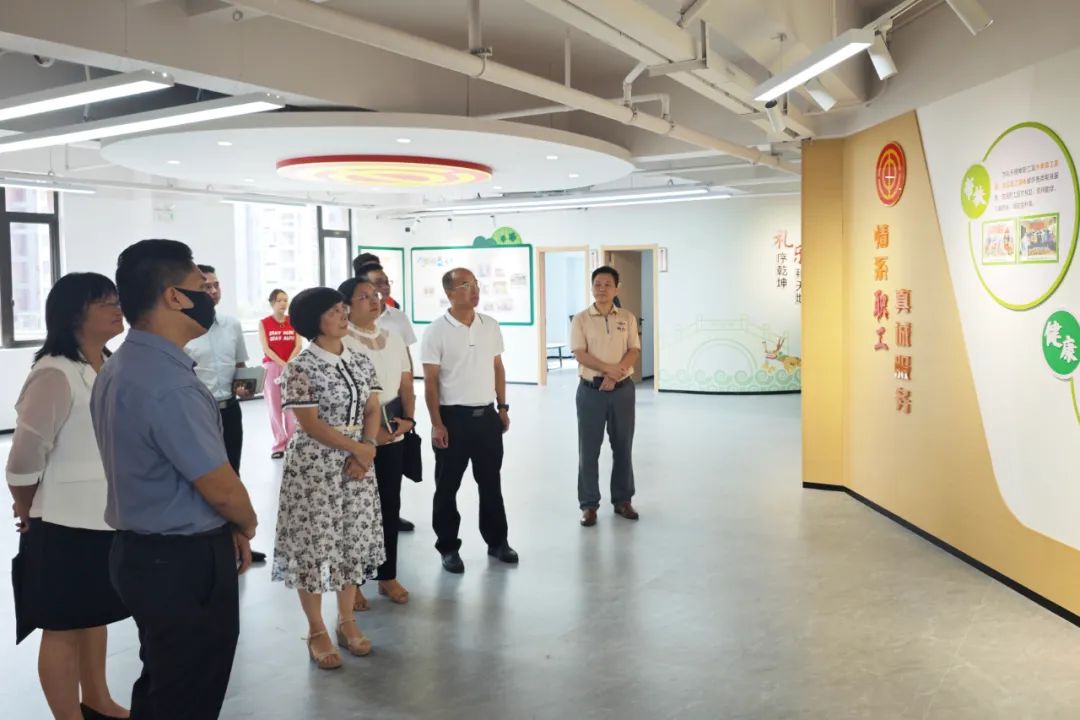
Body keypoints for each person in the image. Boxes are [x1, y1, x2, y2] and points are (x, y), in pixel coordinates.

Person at [91, 239, 258, 720]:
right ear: (174, 297)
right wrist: (245, 523)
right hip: (182, 564)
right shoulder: (171, 384)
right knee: (189, 694)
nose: (209, 295)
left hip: (141, 553)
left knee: (164, 682)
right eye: (200, 286)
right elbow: (220, 487)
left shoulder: (121, 364)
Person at [7, 273, 130, 720]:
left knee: (93, 615)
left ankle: (97, 699)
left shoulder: (107, 364)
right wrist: (26, 507)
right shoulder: (54, 372)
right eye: (106, 303)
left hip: (105, 515)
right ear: (75, 314)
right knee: (61, 626)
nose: (118, 309)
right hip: (61, 520)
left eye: (117, 300)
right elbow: (23, 458)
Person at [271, 287, 385, 670]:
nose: (343, 315)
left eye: (342, 309)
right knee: (315, 544)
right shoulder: (300, 367)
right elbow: (310, 424)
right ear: (313, 320)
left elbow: (372, 407)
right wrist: (359, 449)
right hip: (316, 466)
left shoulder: (359, 358)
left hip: (358, 462)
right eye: (334, 311)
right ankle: (316, 629)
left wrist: (367, 446)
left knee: (352, 538)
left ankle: (347, 620)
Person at [420, 267, 517, 574]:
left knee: (491, 483)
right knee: (447, 487)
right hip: (453, 419)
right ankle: (448, 547)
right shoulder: (436, 331)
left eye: (475, 283)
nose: (474, 290)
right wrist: (437, 423)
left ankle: (498, 541)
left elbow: (497, 367)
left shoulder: (489, 325)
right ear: (449, 293)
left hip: (486, 417)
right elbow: (430, 382)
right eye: (465, 285)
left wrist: (502, 406)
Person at [340, 277, 415, 609]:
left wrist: (409, 420)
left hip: (393, 429)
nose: (374, 300)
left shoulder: (393, 337)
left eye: (376, 295)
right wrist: (368, 436)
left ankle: (387, 575)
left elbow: (406, 382)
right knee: (355, 511)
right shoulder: (342, 340)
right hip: (357, 436)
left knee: (389, 505)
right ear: (346, 306)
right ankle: (352, 583)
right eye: (364, 297)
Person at [184, 264, 267, 564]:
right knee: (204, 479)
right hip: (197, 414)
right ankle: (208, 546)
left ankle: (236, 542)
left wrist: (245, 386)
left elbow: (240, 365)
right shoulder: (183, 329)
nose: (213, 291)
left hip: (229, 409)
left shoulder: (231, 324)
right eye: (205, 286)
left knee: (233, 473)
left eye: (216, 285)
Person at [571, 266, 641, 526]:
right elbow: (580, 353)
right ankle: (589, 505)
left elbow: (633, 350)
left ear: (617, 288)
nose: (601, 289)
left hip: (622, 391)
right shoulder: (581, 319)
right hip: (591, 392)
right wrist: (607, 370)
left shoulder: (627, 317)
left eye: (607, 284)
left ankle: (623, 500)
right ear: (592, 287)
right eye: (597, 284)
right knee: (588, 449)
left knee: (623, 446)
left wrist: (615, 374)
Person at [355, 257, 418, 534]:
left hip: (393, 417)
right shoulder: (345, 337)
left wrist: (409, 416)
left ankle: (391, 521)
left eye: (385, 282)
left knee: (391, 488)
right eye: (375, 285)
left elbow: (407, 369)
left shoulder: (397, 320)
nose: (382, 289)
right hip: (362, 430)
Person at [258, 288, 302, 459]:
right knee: (275, 406)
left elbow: (298, 345)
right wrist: (282, 364)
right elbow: (266, 348)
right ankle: (279, 444)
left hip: (291, 365)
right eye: (279, 300)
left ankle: (292, 442)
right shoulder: (264, 323)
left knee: (291, 405)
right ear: (272, 303)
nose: (283, 303)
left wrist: (288, 363)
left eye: (285, 300)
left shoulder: (293, 321)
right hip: (272, 367)